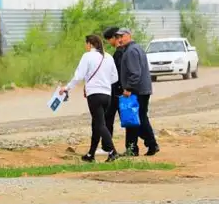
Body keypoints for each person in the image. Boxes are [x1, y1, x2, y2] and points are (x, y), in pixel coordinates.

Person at [60, 35, 120, 162]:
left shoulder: (87, 56)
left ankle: (112, 151)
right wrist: (103, 81)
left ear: (90, 44)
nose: (85, 46)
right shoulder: (108, 56)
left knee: (100, 124)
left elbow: (78, 76)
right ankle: (91, 154)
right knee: (96, 123)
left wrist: (67, 87)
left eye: (86, 44)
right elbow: (115, 78)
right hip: (107, 95)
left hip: (94, 94)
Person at [116, 28, 160, 156]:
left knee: (135, 119)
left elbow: (135, 73)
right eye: (118, 37)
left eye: (122, 36)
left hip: (137, 91)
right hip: (142, 89)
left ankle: (146, 145)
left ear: (129, 35)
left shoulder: (131, 51)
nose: (120, 39)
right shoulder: (136, 48)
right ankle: (136, 147)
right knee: (137, 118)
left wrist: (129, 88)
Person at [103, 26, 125, 149]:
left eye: (108, 40)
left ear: (113, 38)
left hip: (117, 92)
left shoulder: (118, 54)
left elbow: (117, 74)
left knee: (108, 119)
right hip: (120, 91)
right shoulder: (124, 51)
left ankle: (107, 147)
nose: (108, 43)